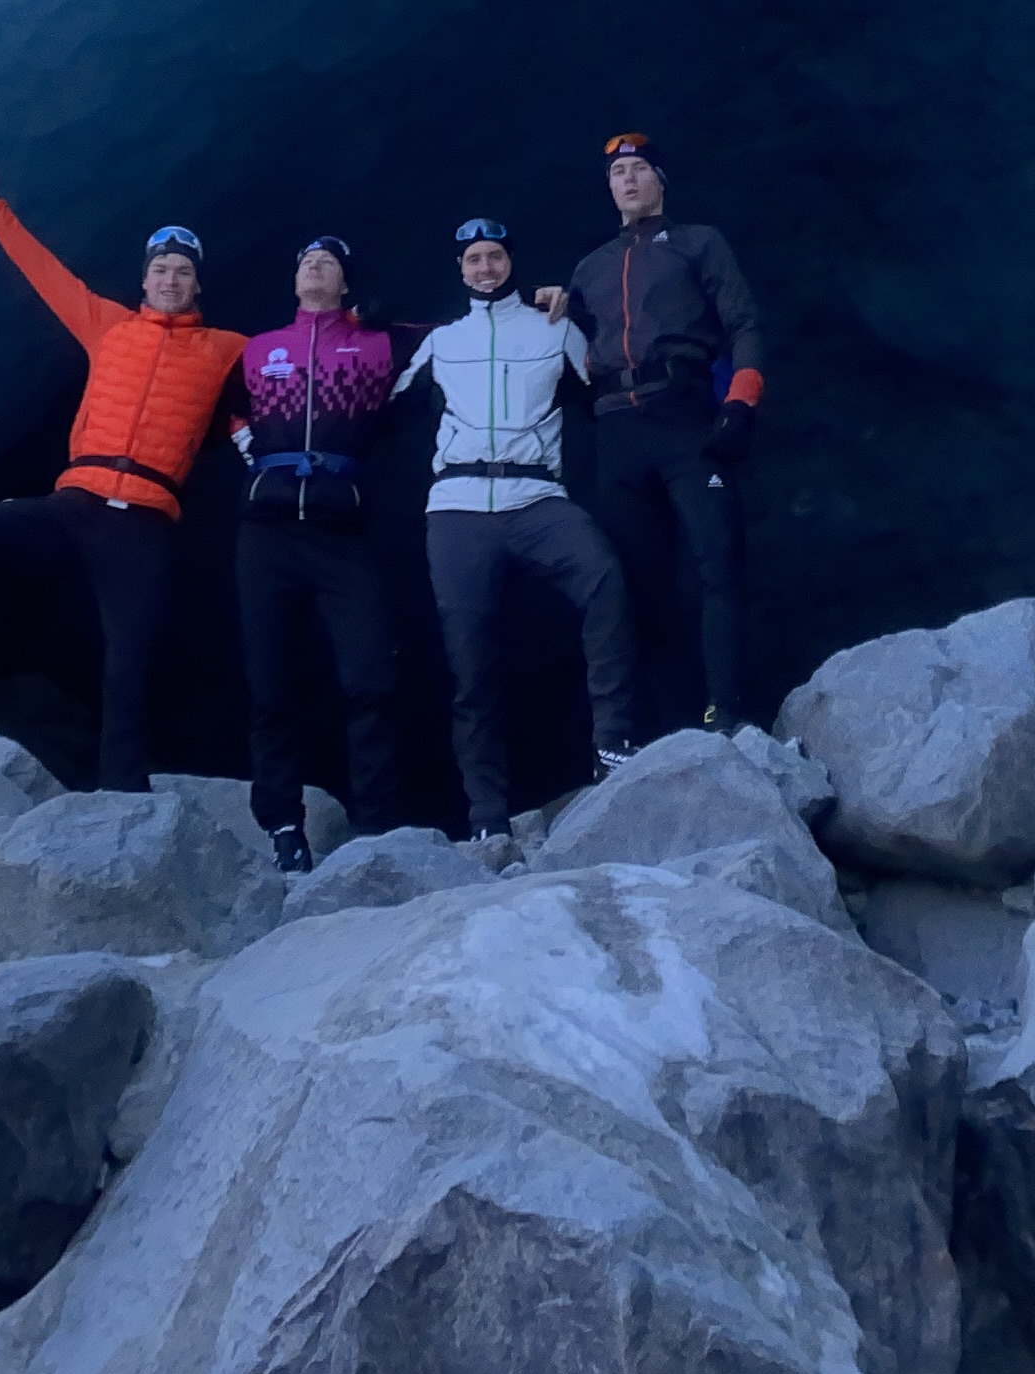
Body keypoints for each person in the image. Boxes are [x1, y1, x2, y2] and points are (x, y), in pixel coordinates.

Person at [0, 162, 242, 791]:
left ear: (197, 285)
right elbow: (43, 270)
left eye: (182, 272)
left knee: (130, 653)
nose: (170, 279)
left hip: (143, 520)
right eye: (161, 269)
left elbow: (295, 362)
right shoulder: (108, 325)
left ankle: (123, 785)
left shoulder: (225, 350)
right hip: (74, 503)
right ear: (144, 279)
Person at [402, 215, 639, 844]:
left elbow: (610, 398)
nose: (485, 268)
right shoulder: (439, 342)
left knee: (604, 578)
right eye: (474, 259)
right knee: (469, 662)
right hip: (455, 507)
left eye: (495, 257)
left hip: (536, 496)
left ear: (511, 263)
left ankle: (612, 744)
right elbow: (382, 410)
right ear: (460, 269)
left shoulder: (553, 329)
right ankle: (486, 816)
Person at [537, 132, 766, 734]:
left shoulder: (698, 243)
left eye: (639, 169)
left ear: (661, 179)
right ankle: (673, 725)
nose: (628, 180)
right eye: (618, 174)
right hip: (618, 433)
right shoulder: (589, 268)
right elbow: (570, 356)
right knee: (640, 587)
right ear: (608, 188)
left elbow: (743, 324)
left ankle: (727, 711)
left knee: (718, 566)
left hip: (684, 418)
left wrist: (739, 405)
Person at [228, 236, 409, 869]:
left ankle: (377, 825)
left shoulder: (380, 345)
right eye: (306, 259)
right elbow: (218, 399)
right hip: (268, 532)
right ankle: (281, 825)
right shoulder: (257, 348)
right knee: (272, 686)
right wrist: (251, 449)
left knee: (370, 678)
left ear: (345, 283)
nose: (314, 266)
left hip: (341, 530)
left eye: (329, 261)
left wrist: (541, 300)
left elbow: (469, 331)